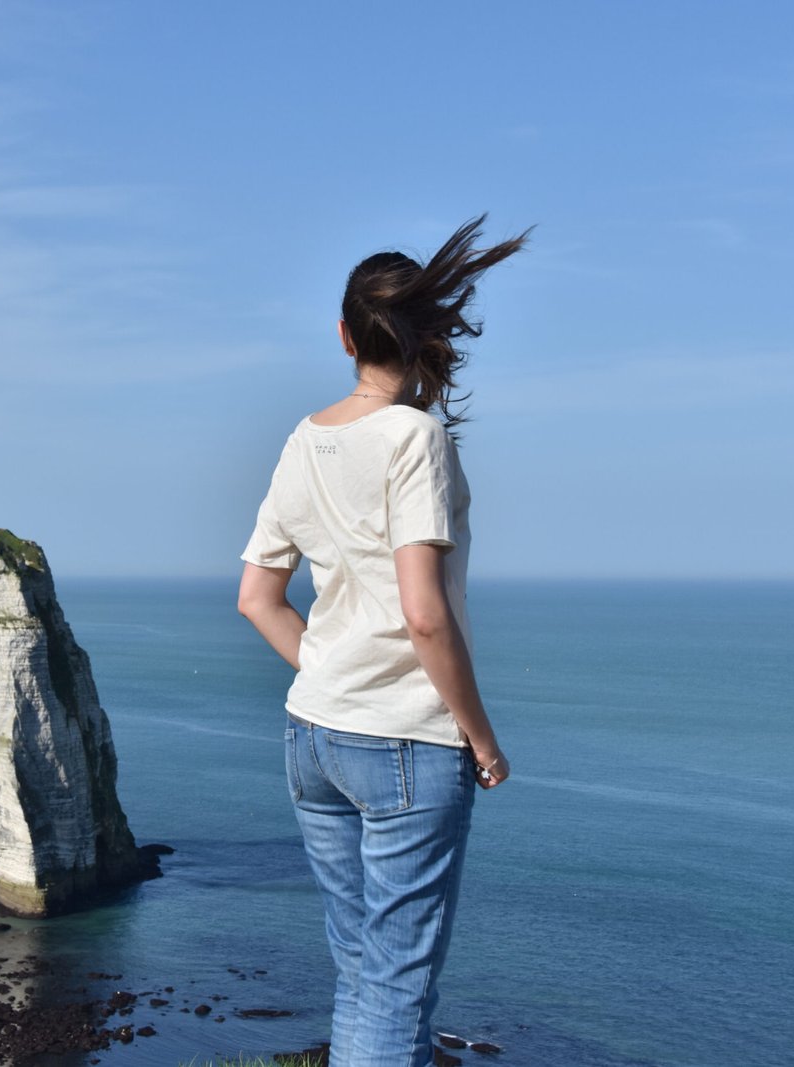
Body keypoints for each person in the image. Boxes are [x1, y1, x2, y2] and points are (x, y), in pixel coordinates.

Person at [237, 215, 526, 1067]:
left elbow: (258, 596)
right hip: (404, 742)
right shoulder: (415, 438)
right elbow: (424, 613)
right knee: (397, 985)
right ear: (431, 334)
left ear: (343, 336)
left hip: (312, 734)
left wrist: (328, 666)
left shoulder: (305, 437)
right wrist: (481, 735)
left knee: (361, 964)